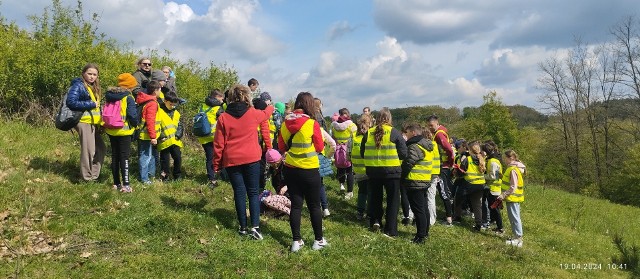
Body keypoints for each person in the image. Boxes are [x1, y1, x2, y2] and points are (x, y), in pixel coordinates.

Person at [213, 84, 274, 240]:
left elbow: (219, 144)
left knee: (239, 193)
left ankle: (242, 227)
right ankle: (255, 228)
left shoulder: (223, 117)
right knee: (253, 192)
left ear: (230, 98)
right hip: (252, 158)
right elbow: (266, 114)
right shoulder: (253, 113)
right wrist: (270, 107)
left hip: (231, 159)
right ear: (247, 96)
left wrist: (217, 165)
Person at [278, 92, 327, 252]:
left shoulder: (285, 123)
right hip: (309, 169)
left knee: (296, 206)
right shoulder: (311, 123)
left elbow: (281, 147)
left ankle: (296, 241)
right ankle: (318, 240)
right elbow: (320, 147)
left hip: (291, 169)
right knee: (314, 205)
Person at [360, 107, 407, 237]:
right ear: (389, 119)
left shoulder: (368, 133)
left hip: (373, 171)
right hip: (392, 172)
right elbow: (404, 153)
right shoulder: (394, 132)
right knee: (393, 200)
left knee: (375, 198)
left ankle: (376, 221)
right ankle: (390, 230)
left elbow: (363, 154)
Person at [66, 63, 105, 182]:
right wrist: (91, 104)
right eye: (89, 74)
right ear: (84, 74)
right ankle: (87, 178)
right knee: (89, 150)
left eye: (94, 74)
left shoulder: (94, 87)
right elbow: (71, 102)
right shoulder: (79, 86)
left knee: (101, 148)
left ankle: (94, 175)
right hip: (83, 121)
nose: (92, 77)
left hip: (94, 123)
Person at [104, 73, 139, 192]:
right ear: (130, 86)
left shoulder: (110, 95)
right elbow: (132, 115)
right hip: (124, 131)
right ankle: (126, 185)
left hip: (111, 130)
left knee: (115, 156)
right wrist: (136, 125)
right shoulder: (128, 97)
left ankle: (116, 183)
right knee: (124, 157)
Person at [401, 123, 435, 244]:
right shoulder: (427, 145)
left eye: (408, 132)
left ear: (414, 133)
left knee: (418, 210)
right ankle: (425, 232)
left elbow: (408, 163)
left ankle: (420, 237)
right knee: (424, 208)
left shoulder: (415, 146)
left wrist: (402, 176)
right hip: (425, 179)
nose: (407, 135)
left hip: (414, 181)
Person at [426, 115, 454, 225]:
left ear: (437, 123)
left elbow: (448, 148)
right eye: (428, 126)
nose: (430, 128)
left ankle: (449, 218)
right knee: (444, 191)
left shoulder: (439, 134)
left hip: (443, 166)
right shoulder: (441, 131)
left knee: (444, 192)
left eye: (432, 125)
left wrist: (450, 163)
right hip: (443, 166)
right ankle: (449, 215)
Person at [453, 140, 486, 231]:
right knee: (477, 204)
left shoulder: (468, 159)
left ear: (470, 150)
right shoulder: (482, 159)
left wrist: (456, 171)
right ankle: (478, 224)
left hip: (469, 184)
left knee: (458, 198)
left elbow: (461, 172)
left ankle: (457, 217)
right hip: (480, 185)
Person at [196, 89, 225, 188]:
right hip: (213, 137)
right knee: (214, 158)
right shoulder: (218, 108)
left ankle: (212, 176)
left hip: (202, 136)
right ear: (216, 97)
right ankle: (212, 179)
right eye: (221, 98)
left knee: (209, 157)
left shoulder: (202, 105)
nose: (223, 100)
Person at [136, 80, 161, 184]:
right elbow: (150, 121)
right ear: (155, 91)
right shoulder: (152, 103)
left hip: (146, 134)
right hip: (147, 135)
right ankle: (144, 179)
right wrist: (153, 136)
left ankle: (151, 176)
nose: (160, 92)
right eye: (160, 90)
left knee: (150, 155)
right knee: (146, 156)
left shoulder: (146, 100)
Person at [500, 150, 526, 247]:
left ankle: (518, 239)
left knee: (515, 218)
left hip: (513, 197)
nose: (504, 160)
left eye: (505, 158)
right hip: (513, 198)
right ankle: (516, 237)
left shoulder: (513, 169)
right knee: (514, 217)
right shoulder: (513, 168)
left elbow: (513, 186)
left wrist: (504, 195)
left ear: (510, 158)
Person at [331, 108, 357, 198]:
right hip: (348, 148)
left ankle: (341, 184)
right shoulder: (351, 125)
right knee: (349, 171)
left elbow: (332, 137)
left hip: (338, 148)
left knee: (340, 167)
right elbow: (355, 137)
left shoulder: (334, 125)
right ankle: (350, 191)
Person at [157, 92, 184, 182]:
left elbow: (180, 125)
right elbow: (156, 125)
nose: (172, 106)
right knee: (165, 160)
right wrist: (161, 136)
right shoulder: (159, 111)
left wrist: (179, 134)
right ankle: (165, 177)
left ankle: (177, 175)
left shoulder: (176, 112)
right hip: (164, 141)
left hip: (175, 140)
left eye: (174, 104)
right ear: (165, 101)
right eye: (170, 104)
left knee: (178, 158)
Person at [351, 114, 372, 220]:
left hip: (358, 170)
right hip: (369, 169)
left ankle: (359, 212)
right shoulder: (370, 137)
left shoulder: (354, 137)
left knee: (362, 191)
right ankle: (369, 213)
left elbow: (348, 153)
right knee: (370, 192)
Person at [483, 141, 504, 234]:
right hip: (492, 188)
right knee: (492, 207)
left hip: (494, 189)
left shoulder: (492, 162)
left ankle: (500, 228)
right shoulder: (492, 160)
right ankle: (494, 222)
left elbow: (493, 176)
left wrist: (482, 177)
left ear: (485, 152)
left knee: (495, 208)